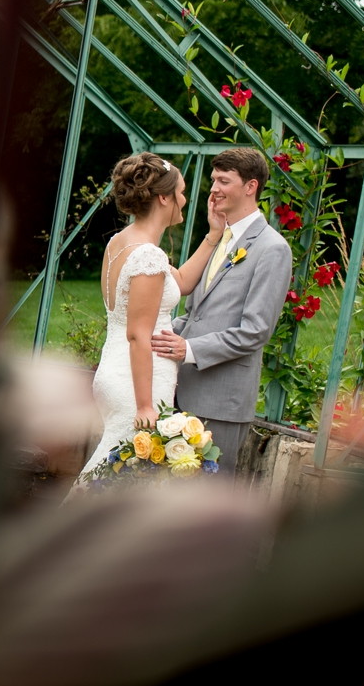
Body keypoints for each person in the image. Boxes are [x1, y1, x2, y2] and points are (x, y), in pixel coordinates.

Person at [75, 153, 228, 485]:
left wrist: (213, 235)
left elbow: (182, 283)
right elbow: (137, 335)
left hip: (117, 370)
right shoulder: (147, 254)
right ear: (164, 197)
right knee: (118, 479)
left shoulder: (124, 242)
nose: (186, 200)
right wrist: (145, 405)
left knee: (115, 473)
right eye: (182, 192)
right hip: (136, 383)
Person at [150, 147, 293, 469]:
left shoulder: (272, 249)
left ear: (250, 187)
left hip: (222, 402)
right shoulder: (221, 239)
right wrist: (154, 332)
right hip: (181, 391)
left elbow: (255, 331)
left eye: (224, 180)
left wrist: (188, 348)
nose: (213, 188)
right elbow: (198, 312)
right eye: (213, 179)